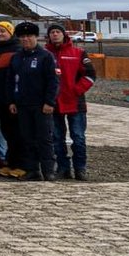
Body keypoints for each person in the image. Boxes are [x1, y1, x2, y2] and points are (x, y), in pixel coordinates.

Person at [45, 24, 96, 181]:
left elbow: (90, 75)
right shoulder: (46, 54)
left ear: (63, 34)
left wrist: (76, 90)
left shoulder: (78, 53)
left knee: (78, 137)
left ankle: (80, 168)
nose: (55, 35)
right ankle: (63, 168)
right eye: (52, 32)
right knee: (57, 138)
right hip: (54, 103)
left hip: (75, 103)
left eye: (57, 32)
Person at [9, 22, 58, 181]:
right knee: (27, 138)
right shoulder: (17, 57)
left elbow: (53, 81)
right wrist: (12, 101)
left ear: (36, 37)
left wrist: (50, 102)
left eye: (29, 36)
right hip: (22, 104)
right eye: (22, 37)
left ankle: (48, 170)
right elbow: (11, 80)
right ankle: (32, 169)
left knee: (44, 138)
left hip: (41, 105)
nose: (25, 39)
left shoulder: (46, 56)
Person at [0, 21, 24, 178]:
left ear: (11, 33)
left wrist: (14, 99)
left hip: (12, 100)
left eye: (4, 31)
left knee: (18, 132)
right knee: (7, 132)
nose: (0, 33)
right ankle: (12, 162)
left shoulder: (17, 51)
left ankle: (22, 164)